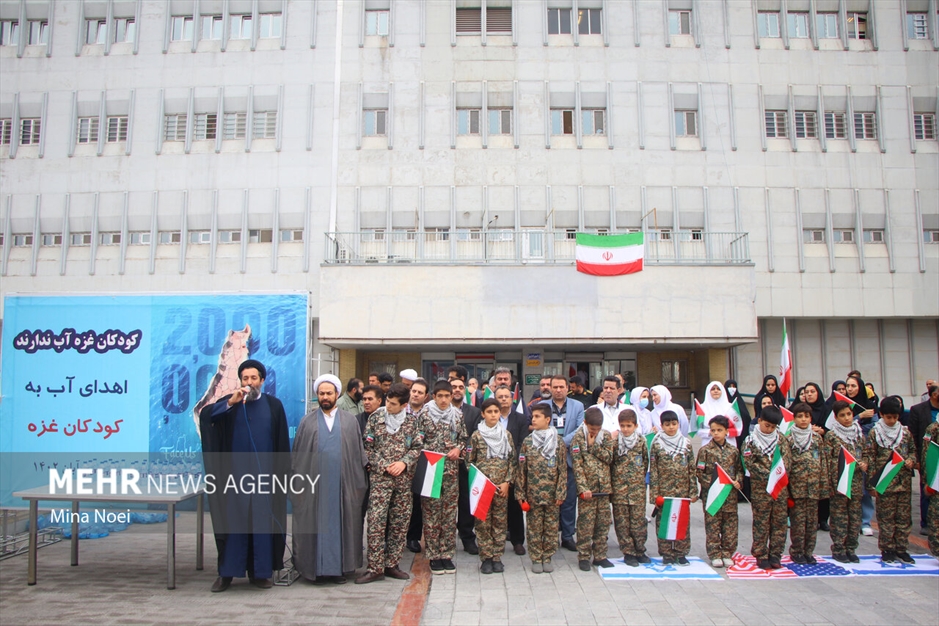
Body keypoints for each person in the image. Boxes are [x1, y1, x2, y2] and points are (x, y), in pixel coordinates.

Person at [199, 359, 291, 593]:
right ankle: (227, 573)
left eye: (253, 378)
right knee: (234, 525)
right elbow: (207, 417)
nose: (249, 382)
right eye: (245, 378)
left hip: (265, 480)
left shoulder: (273, 406)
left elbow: (281, 443)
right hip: (234, 480)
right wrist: (230, 403)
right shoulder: (230, 403)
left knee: (262, 525)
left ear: (262, 380)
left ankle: (260, 573)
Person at [291, 374, 368, 584]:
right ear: (317, 395)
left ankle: (339, 569)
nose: (325, 396)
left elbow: (357, 455)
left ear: (337, 394)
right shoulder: (306, 422)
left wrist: (357, 486)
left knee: (342, 524)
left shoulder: (350, 421)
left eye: (329, 393)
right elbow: (298, 457)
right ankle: (313, 569)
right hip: (314, 487)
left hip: (343, 485)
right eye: (321, 393)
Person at [357, 383, 423, 584]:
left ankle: (392, 564)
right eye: (387, 401)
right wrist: (385, 465)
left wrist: (404, 463)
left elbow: (417, 447)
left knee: (400, 523)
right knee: (376, 523)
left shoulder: (411, 422)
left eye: (393, 404)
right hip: (380, 480)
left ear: (404, 405)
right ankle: (375, 567)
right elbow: (367, 447)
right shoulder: (376, 418)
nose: (388, 406)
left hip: (403, 482)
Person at [418, 380, 467, 575]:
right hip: (431, 469)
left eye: (447, 396)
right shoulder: (424, 415)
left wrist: (457, 448)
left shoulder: (457, 415)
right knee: (431, 514)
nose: (444, 400)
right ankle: (433, 554)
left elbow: (463, 438)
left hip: (451, 472)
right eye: (440, 396)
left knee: (448, 514)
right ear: (434, 396)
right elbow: (417, 440)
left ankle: (446, 554)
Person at [466, 398, 516, 574]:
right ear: (483, 414)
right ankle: (486, 557)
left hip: (501, 487)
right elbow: (469, 462)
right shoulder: (476, 436)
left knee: (500, 523)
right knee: (482, 523)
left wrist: (507, 482)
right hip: (482, 487)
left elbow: (512, 461)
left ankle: (497, 557)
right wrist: (479, 481)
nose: (493, 415)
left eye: (496, 411)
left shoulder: (506, 435)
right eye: (489, 412)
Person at [516, 403, 567, 574]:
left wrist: (561, 491)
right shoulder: (528, 442)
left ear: (547, 419)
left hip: (552, 494)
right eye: (533, 416)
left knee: (551, 528)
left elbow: (562, 469)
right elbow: (522, 469)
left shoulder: (557, 442)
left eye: (538, 416)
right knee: (534, 527)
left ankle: (548, 556)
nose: (533, 419)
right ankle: (536, 558)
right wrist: (520, 493)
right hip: (533, 493)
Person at [866, 397, 915, 564]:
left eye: (895, 417)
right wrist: (871, 484)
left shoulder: (905, 433)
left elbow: (913, 452)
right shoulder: (875, 433)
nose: (893, 421)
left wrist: (911, 460)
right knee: (886, 518)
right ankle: (887, 549)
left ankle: (901, 548)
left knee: (903, 518)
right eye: (889, 417)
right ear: (881, 415)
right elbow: (871, 458)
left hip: (903, 482)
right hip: (884, 482)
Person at [743, 405, 791, 570]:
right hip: (761, 489)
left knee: (779, 523)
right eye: (767, 425)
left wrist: (776, 475)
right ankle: (761, 554)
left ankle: (775, 554)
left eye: (773, 427)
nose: (769, 429)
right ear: (760, 420)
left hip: (779, 489)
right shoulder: (751, 440)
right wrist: (768, 475)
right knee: (761, 523)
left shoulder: (781, 440)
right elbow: (750, 462)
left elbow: (786, 461)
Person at [570, 407, 615, 571]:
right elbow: (577, 465)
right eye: (592, 429)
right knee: (586, 524)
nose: (595, 432)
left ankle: (600, 555)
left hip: (603, 488)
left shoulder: (606, 436)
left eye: (597, 429)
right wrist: (583, 488)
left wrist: (594, 445)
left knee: (603, 523)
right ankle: (583, 556)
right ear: (585, 423)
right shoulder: (577, 439)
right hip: (587, 490)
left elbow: (609, 458)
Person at [649, 410, 697, 566]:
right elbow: (654, 470)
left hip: (682, 490)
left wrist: (693, 491)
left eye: (674, 424)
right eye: (667, 424)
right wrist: (654, 494)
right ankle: (667, 553)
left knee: (682, 521)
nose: (671, 427)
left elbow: (692, 468)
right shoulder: (657, 444)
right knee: (664, 522)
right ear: (662, 426)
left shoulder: (686, 443)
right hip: (664, 491)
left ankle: (681, 552)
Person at [695, 415, 742, 569]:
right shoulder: (705, 451)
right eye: (713, 430)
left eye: (719, 430)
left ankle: (727, 552)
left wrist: (737, 481)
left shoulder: (733, 451)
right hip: (713, 495)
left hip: (729, 495)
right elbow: (700, 472)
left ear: (727, 431)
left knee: (730, 525)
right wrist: (714, 483)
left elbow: (739, 469)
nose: (716, 433)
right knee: (713, 525)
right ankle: (715, 554)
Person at [824, 400, 867, 563]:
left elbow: (866, 453)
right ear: (836, 417)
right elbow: (827, 460)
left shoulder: (858, 434)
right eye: (842, 415)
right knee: (839, 517)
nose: (847, 418)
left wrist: (864, 463)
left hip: (855, 483)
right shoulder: (832, 436)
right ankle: (839, 548)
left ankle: (851, 548)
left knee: (854, 517)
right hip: (839, 483)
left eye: (849, 414)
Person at [545, 375, 585, 552]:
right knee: (550, 500)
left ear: (567, 387)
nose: (558, 390)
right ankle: (550, 535)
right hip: (547, 460)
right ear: (550, 388)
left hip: (568, 459)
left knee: (569, 501)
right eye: (555, 387)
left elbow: (579, 429)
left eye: (561, 387)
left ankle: (568, 536)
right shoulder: (543, 406)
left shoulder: (578, 406)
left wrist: (561, 442)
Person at [786, 402, 827, 565]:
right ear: (794, 418)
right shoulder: (789, 439)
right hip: (797, 487)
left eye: (806, 416)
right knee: (798, 522)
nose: (803, 420)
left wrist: (823, 486)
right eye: (800, 416)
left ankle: (809, 551)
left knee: (812, 522)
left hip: (814, 486)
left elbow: (822, 462)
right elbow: (786, 464)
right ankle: (797, 551)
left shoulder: (816, 438)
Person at [612, 409, 651, 567]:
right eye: (623, 426)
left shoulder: (641, 442)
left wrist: (638, 480)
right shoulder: (615, 444)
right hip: (620, 489)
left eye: (629, 426)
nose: (626, 429)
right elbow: (612, 464)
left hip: (637, 490)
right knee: (622, 522)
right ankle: (628, 552)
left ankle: (640, 550)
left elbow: (645, 462)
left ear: (635, 425)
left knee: (638, 522)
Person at [494, 384, 530, 554]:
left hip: (514, 468)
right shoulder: (490, 417)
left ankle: (517, 541)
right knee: (495, 506)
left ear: (512, 398)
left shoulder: (521, 419)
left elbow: (521, 444)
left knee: (515, 506)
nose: (503, 399)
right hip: (493, 468)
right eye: (500, 397)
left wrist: (510, 463)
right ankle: (495, 541)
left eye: (506, 396)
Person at [449, 373, 483, 555]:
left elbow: (475, 436)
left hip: (464, 463)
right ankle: (443, 539)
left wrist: (460, 449)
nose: (457, 390)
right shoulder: (440, 410)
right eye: (453, 387)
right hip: (444, 463)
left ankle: (467, 537)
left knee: (465, 501)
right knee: (443, 502)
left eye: (460, 387)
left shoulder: (474, 412)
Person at [844, 375, 877, 536]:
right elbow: (841, 424)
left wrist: (859, 421)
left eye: (853, 386)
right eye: (848, 386)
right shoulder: (843, 405)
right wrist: (859, 417)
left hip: (862, 451)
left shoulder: (869, 405)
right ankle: (849, 521)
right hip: (845, 450)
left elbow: (873, 427)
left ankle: (865, 521)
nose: (850, 389)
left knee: (864, 488)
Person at [406, 379, 431, 553]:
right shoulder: (400, 410)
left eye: (419, 392)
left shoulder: (430, 414)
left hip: (423, 464)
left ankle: (413, 537)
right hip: (402, 464)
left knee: (418, 503)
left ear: (426, 396)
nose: (415, 394)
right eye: (414, 391)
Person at [910, 384, 939, 535]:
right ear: (934, 395)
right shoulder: (918, 410)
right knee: (928, 490)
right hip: (928, 457)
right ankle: (926, 523)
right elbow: (914, 435)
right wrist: (917, 459)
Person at [699, 381, 735, 448]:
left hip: (728, 443)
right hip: (708, 443)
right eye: (713, 389)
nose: (716, 391)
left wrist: (724, 433)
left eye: (718, 389)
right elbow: (697, 428)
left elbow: (738, 427)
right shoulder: (701, 408)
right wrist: (711, 432)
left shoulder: (731, 407)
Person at [922, 418, 939, 557]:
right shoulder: (933, 428)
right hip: (937, 478)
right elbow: (927, 455)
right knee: (936, 516)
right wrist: (927, 480)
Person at [724, 379, 751, 448]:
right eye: (729, 386)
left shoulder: (739, 401)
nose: (732, 389)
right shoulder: (724, 402)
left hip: (740, 433)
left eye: (734, 386)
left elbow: (746, 416)